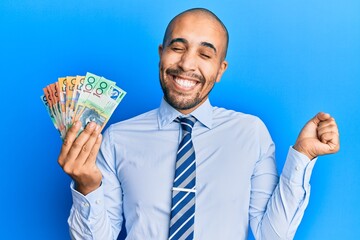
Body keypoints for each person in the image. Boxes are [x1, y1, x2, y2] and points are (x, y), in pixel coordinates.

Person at [57, 8, 340, 240]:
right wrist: (87, 186)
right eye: (177, 48)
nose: (187, 64)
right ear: (161, 53)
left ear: (220, 69)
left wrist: (302, 157)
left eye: (205, 54)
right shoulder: (118, 138)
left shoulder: (251, 133)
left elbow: (273, 235)